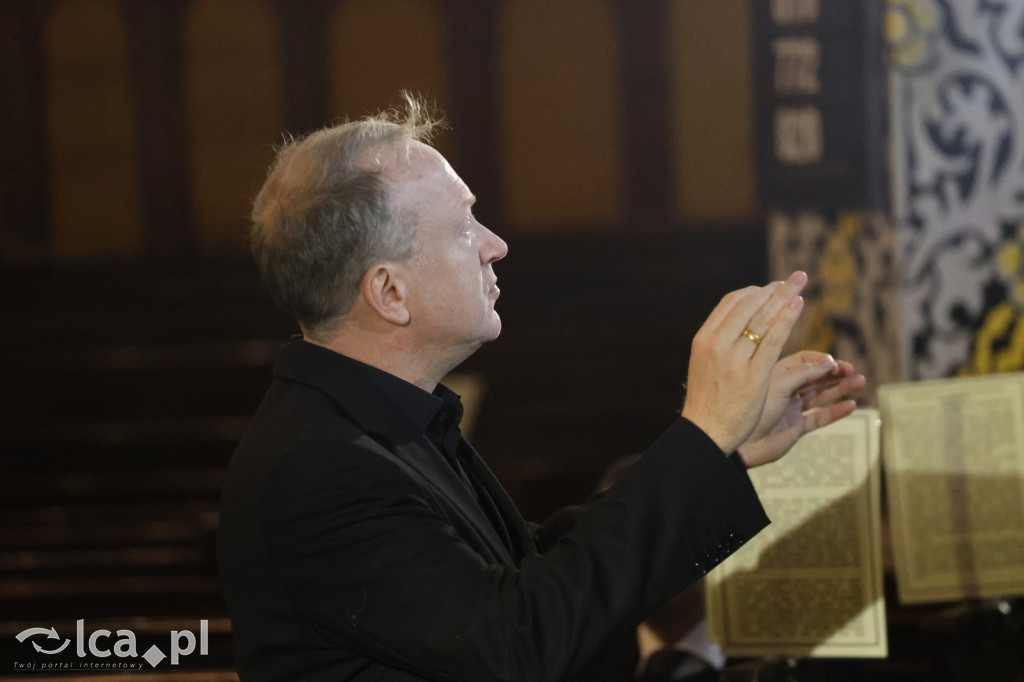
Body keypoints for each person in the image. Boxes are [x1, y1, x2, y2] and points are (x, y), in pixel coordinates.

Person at [216, 95, 865, 682]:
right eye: (465, 226)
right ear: (389, 292)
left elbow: (535, 575)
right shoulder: (319, 468)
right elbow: (522, 642)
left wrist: (726, 450)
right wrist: (704, 433)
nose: (495, 245)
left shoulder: (380, 421)